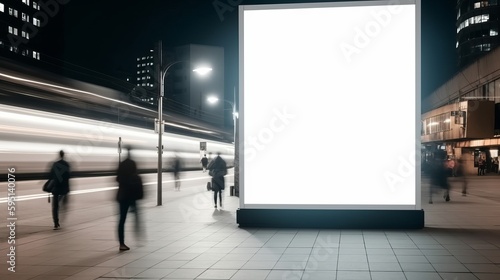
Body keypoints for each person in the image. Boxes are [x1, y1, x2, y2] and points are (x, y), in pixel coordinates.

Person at [116, 146, 144, 251]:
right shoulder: (132, 164)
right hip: (130, 196)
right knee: (136, 215)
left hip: (122, 195)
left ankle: (121, 243)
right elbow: (136, 177)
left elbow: (117, 178)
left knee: (122, 220)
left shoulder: (122, 164)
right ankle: (138, 235)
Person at [49, 150, 71, 230]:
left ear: (59, 155)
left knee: (55, 206)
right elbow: (68, 176)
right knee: (61, 203)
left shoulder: (55, 164)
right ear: (64, 155)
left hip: (56, 188)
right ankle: (60, 217)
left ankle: (56, 223)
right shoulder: (66, 164)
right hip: (63, 188)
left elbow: (50, 175)